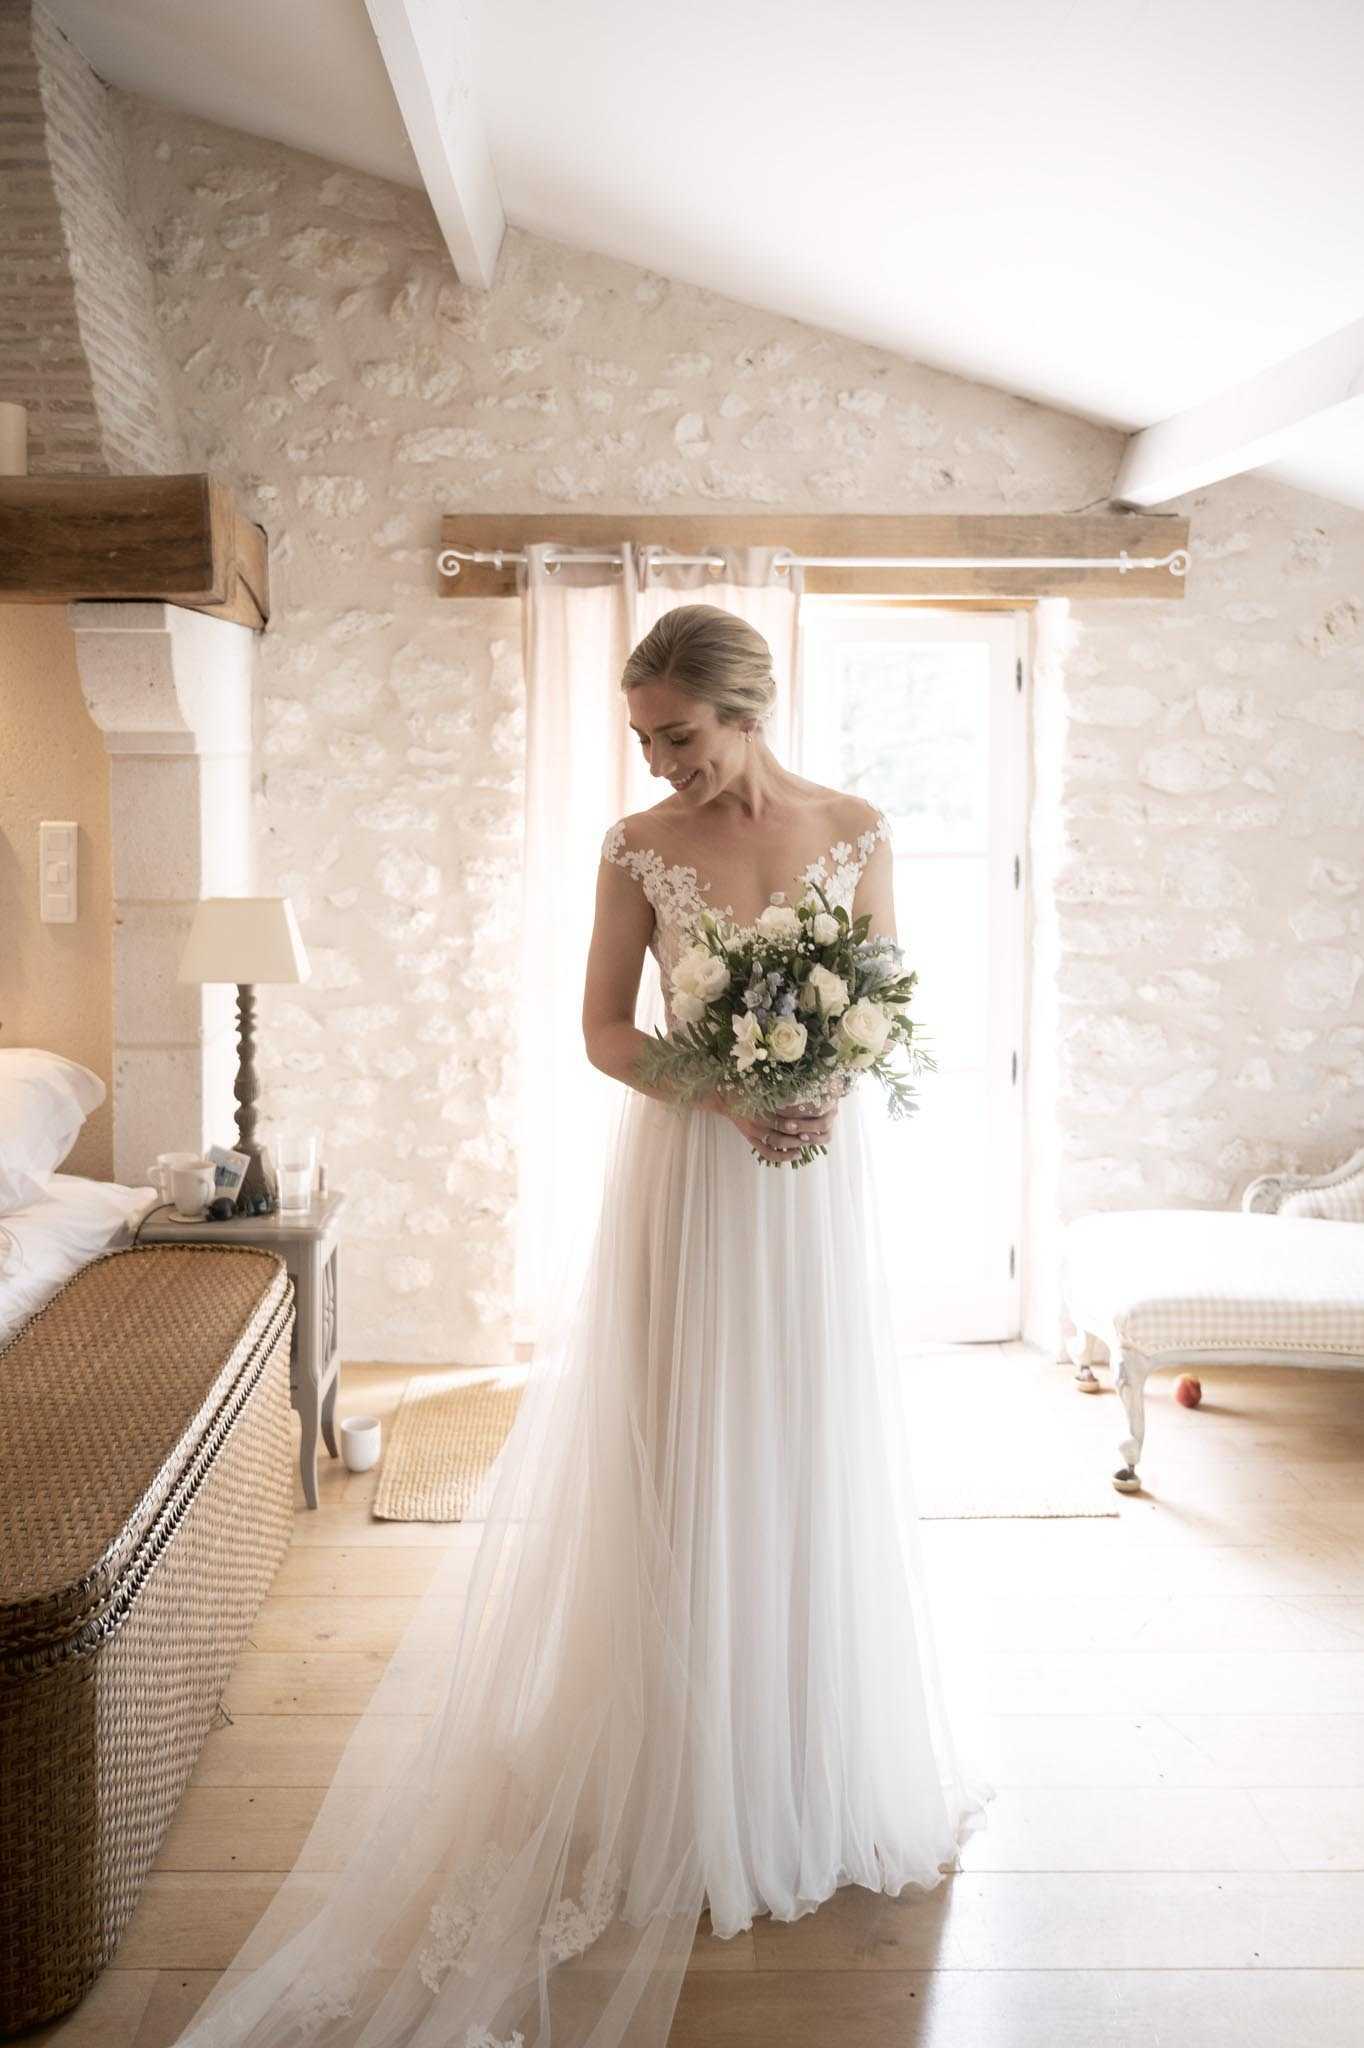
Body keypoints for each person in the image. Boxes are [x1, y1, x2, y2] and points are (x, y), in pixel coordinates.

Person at [167, 605, 994, 2048]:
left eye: (678, 735)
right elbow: (605, 1032)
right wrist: (728, 1090)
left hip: (810, 1184)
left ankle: (800, 1748)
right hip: (693, 1175)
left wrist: (823, 1090)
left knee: (804, 1442)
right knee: (683, 1444)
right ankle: (678, 1765)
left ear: (748, 710)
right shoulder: (636, 850)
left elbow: (887, 1003)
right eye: (642, 738)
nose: (660, 761)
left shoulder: (857, 828)